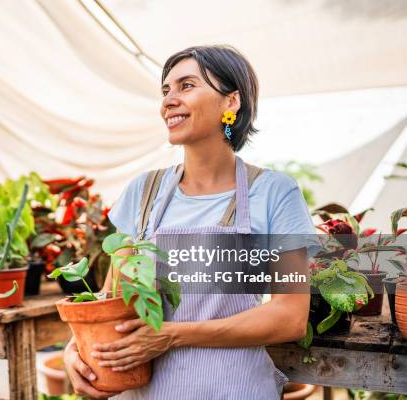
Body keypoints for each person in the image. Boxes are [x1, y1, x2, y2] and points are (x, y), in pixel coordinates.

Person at [63, 45, 318, 399]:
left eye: (186, 86)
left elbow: (289, 316)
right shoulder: (142, 192)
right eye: (165, 90)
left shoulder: (274, 192)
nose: (168, 100)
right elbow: (110, 302)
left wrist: (172, 333)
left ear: (231, 102)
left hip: (235, 388)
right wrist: (75, 350)